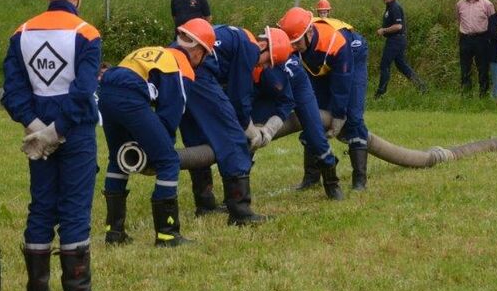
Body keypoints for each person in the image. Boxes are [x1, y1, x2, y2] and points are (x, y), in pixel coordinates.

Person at [1, 0, 104, 291]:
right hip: (74, 133)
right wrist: (57, 132)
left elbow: (12, 93)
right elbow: (83, 92)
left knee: (41, 208)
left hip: (37, 133)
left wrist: (38, 131)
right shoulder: (86, 35)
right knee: (74, 210)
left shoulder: (21, 34)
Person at [98, 18, 215, 248]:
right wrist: (161, 145)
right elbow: (172, 110)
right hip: (130, 95)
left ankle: (114, 233)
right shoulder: (181, 64)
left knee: (118, 158)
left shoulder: (157, 51)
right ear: (199, 50)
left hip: (106, 90)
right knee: (168, 161)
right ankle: (167, 234)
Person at [179, 24, 292, 224]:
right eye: (268, 61)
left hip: (180, 69)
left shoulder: (233, 36)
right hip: (199, 71)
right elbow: (239, 97)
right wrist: (248, 129)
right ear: (263, 46)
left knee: (196, 138)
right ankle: (240, 211)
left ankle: (204, 204)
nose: (264, 67)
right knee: (233, 137)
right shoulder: (249, 48)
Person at [278, 7, 370, 190]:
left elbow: (342, 83)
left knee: (353, 116)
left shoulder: (334, 42)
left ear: (309, 33)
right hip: (318, 63)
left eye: (296, 43)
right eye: (291, 43)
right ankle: (311, 177)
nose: (293, 48)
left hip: (352, 55)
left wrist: (338, 115)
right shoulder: (295, 42)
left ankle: (360, 179)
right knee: (312, 113)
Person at [250, 38, 343, 200]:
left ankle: (332, 183)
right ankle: (236, 193)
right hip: (264, 89)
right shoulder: (246, 57)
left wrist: (271, 128)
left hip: (296, 87)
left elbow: (287, 101)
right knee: (249, 136)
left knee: (315, 135)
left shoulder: (280, 68)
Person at [374, 0, 426, 98]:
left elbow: (398, 26)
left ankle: (380, 93)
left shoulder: (395, 7)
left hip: (396, 39)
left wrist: (384, 30)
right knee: (401, 65)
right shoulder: (389, 7)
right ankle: (421, 86)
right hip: (396, 39)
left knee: (384, 65)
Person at [456, 0, 495, 96]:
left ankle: (483, 95)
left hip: (481, 39)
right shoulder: (459, 4)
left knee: (482, 68)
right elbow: (459, 20)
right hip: (465, 39)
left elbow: (492, 22)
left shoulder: (487, 4)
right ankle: (466, 95)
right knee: (465, 68)